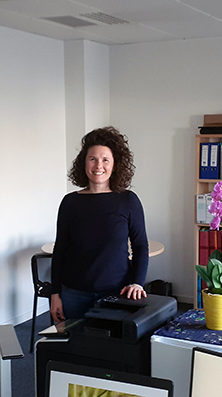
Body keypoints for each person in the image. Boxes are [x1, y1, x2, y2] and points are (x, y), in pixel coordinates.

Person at [50, 126, 149, 321]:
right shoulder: (70, 202)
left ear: (115, 164)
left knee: (110, 350)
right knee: (76, 347)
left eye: (105, 160)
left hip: (117, 292)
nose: (98, 166)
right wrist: (55, 294)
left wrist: (138, 283)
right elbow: (60, 249)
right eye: (92, 159)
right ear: (83, 163)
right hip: (73, 293)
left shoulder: (128, 200)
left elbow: (140, 245)